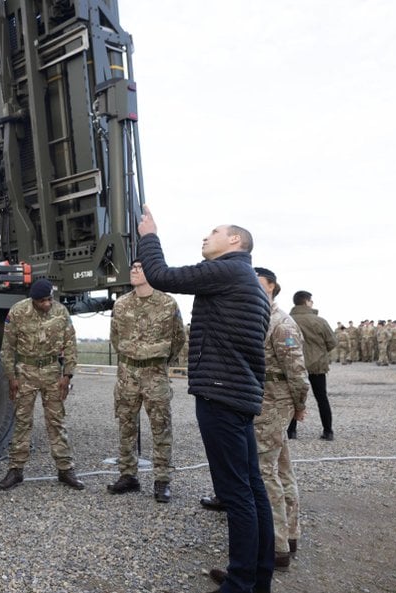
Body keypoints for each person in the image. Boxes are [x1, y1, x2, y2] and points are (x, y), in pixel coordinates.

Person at [135, 205, 273, 593]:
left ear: (235, 241)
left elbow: (161, 276)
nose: (205, 236)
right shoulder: (246, 279)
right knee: (251, 487)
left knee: (236, 493)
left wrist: (149, 236)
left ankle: (241, 583)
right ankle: (256, 577)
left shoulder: (229, 269)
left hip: (222, 393)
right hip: (238, 393)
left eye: (214, 231)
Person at [106, 259, 186, 503]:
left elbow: (178, 338)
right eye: (132, 268)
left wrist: (158, 361)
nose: (134, 271)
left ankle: (162, 480)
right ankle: (128, 475)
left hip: (155, 375)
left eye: (139, 268)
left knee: (161, 428)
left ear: (151, 272)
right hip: (127, 375)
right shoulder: (121, 304)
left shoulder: (167, 303)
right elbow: (115, 336)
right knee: (126, 427)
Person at [0, 278, 85, 491]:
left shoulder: (60, 312)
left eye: (49, 299)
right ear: (33, 300)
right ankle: (16, 470)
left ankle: (65, 469)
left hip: (53, 372)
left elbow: (71, 344)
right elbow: (8, 347)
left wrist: (68, 375)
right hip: (25, 372)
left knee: (56, 421)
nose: (47, 304)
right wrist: (11, 377)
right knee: (22, 422)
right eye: (42, 301)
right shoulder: (18, 312)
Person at [253, 268, 309, 571]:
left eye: (257, 283)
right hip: (263, 400)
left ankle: (276, 547)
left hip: (274, 401)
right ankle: (290, 534)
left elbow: (298, 373)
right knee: (282, 466)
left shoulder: (281, 323)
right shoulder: (259, 316)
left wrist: (300, 406)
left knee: (264, 471)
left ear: (272, 287)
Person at [288, 291, 337, 441]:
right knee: (321, 398)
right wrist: (319, 352)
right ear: (307, 302)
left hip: (295, 365)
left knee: (293, 398)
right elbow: (332, 342)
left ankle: (291, 431)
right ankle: (328, 431)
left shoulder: (288, 320)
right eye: (311, 301)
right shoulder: (319, 321)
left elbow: (286, 342)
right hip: (317, 366)